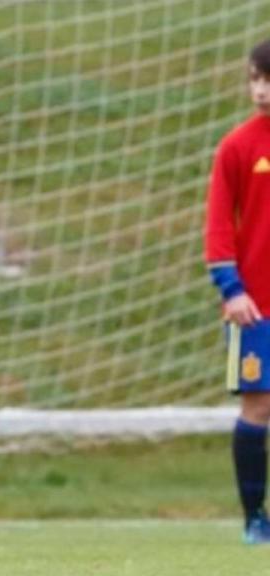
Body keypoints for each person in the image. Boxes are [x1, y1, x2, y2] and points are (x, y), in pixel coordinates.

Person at [206, 38, 270, 545]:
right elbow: (218, 227)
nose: (261, 89)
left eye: (268, 79)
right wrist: (231, 289)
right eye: (255, 78)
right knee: (258, 407)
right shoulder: (238, 146)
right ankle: (255, 519)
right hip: (257, 308)